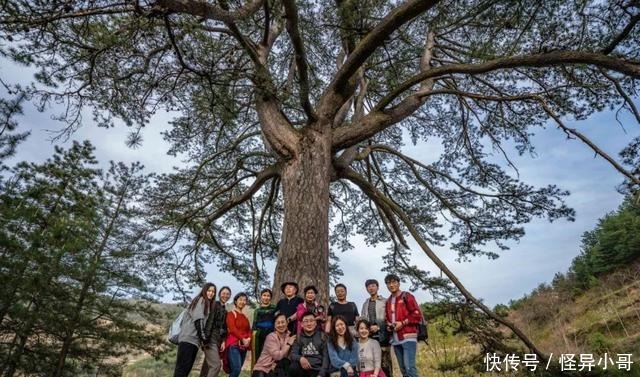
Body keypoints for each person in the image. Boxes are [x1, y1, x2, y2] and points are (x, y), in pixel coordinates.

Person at [384, 274, 422, 377]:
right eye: (388, 283)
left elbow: (417, 315)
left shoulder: (407, 296)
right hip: (395, 340)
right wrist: (389, 325)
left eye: (393, 282)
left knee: (410, 368)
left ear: (398, 283)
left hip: (408, 337)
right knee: (403, 371)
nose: (391, 285)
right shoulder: (387, 301)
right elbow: (387, 319)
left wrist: (403, 322)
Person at [174, 283, 215, 377]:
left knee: (185, 370)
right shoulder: (200, 300)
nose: (211, 293)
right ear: (204, 291)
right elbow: (198, 320)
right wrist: (204, 338)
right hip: (188, 339)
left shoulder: (206, 304)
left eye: (213, 291)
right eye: (209, 291)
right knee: (182, 370)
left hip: (193, 341)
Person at [360, 279, 392, 377]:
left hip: (383, 337)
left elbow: (389, 317)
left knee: (386, 364)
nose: (371, 288)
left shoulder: (385, 301)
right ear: (367, 289)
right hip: (370, 337)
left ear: (377, 287)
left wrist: (379, 327)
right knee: (372, 364)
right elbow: (363, 319)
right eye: (369, 287)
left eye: (373, 286)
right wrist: (368, 329)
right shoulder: (365, 303)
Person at [252, 313, 297, 377]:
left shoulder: (289, 337)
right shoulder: (271, 337)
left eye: (283, 322)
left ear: (287, 323)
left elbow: (288, 356)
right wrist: (289, 344)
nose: (281, 325)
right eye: (278, 323)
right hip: (263, 368)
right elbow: (277, 356)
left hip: (277, 368)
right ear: (274, 326)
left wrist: (276, 363)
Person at [200, 285, 231, 377]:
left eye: (228, 294)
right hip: (210, 339)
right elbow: (210, 321)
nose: (225, 295)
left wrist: (224, 341)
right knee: (216, 366)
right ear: (219, 294)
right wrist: (205, 339)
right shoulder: (214, 305)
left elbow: (224, 328)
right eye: (223, 293)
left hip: (218, 341)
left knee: (207, 367)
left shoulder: (225, 310)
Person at [289, 311, 329, 377]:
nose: (309, 324)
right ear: (301, 324)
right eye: (306, 321)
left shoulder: (322, 336)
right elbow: (293, 354)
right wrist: (300, 358)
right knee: (293, 367)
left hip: (318, 370)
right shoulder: (299, 337)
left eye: (311, 321)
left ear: (316, 323)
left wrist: (321, 374)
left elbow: (326, 357)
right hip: (304, 370)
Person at [226, 292, 252, 377]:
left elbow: (249, 330)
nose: (242, 302)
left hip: (243, 346)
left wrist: (248, 339)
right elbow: (232, 329)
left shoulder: (245, 317)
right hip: (234, 345)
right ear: (236, 301)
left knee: (237, 370)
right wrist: (243, 339)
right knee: (236, 369)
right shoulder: (231, 314)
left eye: (245, 300)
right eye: (240, 299)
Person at [252, 288, 277, 369]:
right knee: (259, 356)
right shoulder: (257, 310)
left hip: (271, 335)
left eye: (268, 296)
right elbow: (254, 325)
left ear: (270, 297)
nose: (266, 297)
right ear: (261, 297)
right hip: (259, 337)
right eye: (264, 295)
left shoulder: (275, 308)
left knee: (270, 356)